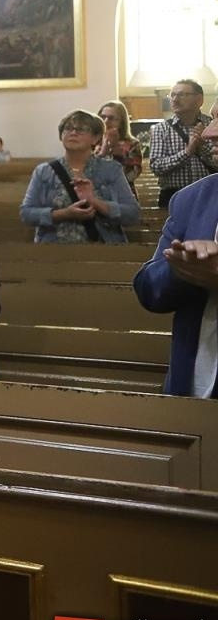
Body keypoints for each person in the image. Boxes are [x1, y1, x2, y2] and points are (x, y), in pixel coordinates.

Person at [132, 172, 218, 396]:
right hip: (192, 388)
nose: (208, 135)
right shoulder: (193, 197)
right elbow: (149, 291)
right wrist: (182, 267)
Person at [19, 110, 140, 244]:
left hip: (103, 250)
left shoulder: (111, 170)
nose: (73, 132)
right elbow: (26, 214)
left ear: (95, 138)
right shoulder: (44, 171)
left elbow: (132, 214)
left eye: (82, 129)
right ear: (61, 135)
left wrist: (96, 202)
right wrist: (64, 214)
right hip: (53, 249)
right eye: (68, 128)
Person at [147, 79, 218, 208]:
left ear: (199, 100)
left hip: (210, 193)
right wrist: (187, 152)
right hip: (173, 195)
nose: (175, 99)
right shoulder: (160, 129)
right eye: (172, 95)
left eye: (182, 94)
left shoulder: (212, 126)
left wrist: (202, 147)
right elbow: (156, 166)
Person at [97, 99, 143, 186]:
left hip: (122, 192)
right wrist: (103, 152)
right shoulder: (92, 141)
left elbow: (132, 175)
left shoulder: (132, 144)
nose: (106, 121)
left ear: (121, 122)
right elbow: (88, 171)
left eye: (111, 118)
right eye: (102, 117)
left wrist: (116, 152)